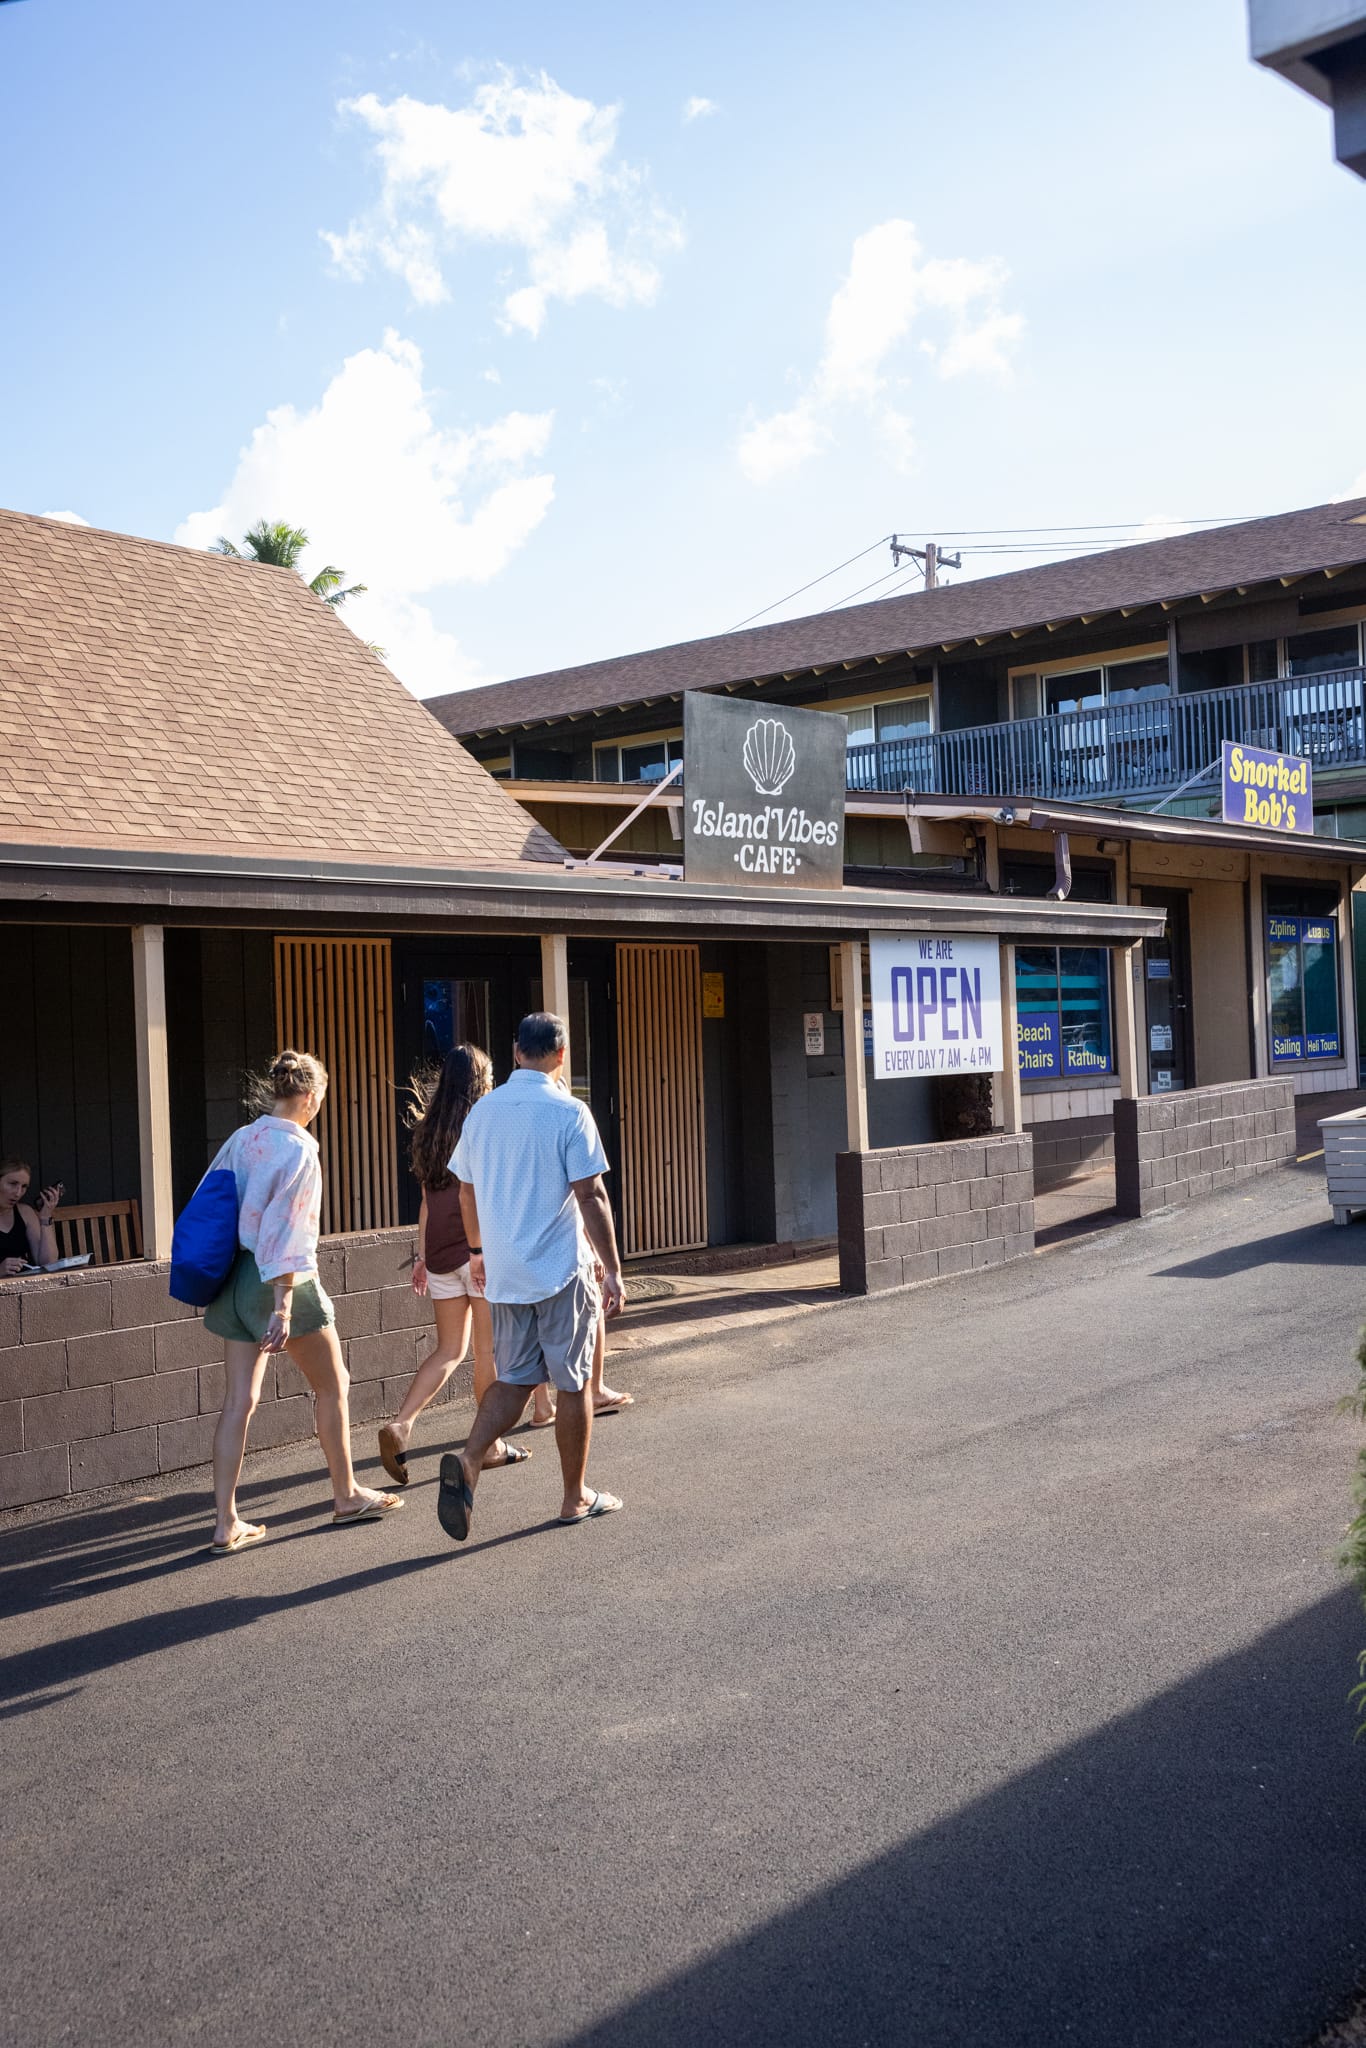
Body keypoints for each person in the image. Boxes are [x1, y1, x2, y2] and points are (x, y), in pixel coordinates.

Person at [202, 1049, 403, 1555]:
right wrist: (283, 1305)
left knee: (238, 1402)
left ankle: (226, 1523)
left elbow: (213, 1202)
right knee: (334, 1384)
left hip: (233, 1278)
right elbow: (289, 1232)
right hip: (277, 1279)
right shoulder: (300, 1150)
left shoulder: (241, 1139)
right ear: (311, 1098)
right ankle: (346, 1494)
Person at [436, 1012, 627, 1541]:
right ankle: (574, 1498)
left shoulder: (482, 1112)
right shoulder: (570, 1111)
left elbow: (465, 1191)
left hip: (505, 1272)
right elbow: (591, 1195)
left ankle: (471, 1458)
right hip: (560, 1270)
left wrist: (478, 1251)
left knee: (516, 1377)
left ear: (517, 1051)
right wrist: (611, 1269)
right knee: (573, 1383)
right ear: (562, 1056)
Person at [376, 1044, 533, 1485]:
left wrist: (422, 1257)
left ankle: (401, 1424)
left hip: (442, 1253)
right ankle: (490, 1447)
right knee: (487, 1353)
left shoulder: (427, 1129)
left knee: (448, 1350)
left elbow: (427, 1202)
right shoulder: (486, 1124)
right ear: (481, 1082)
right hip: (480, 1251)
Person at [0, 1159, 62, 1277]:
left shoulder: (24, 1212)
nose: (18, 1193)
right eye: (13, 1184)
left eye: (24, 1186)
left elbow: (48, 1263)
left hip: (24, 1286)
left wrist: (45, 1217)